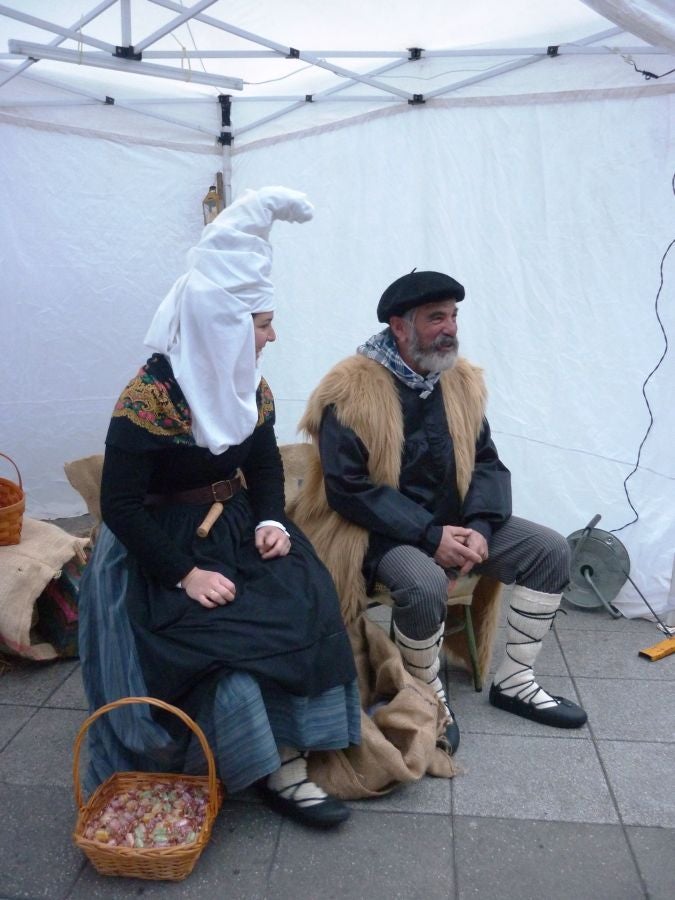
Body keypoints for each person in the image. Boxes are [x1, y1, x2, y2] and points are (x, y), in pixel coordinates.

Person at [78, 186, 360, 829]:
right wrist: (183, 573)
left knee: (303, 590)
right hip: (159, 545)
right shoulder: (148, 399)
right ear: (223, 327)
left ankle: (296, 743)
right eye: (263, 323)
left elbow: (262, 464)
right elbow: (120, 505)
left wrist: (271, 519)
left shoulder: (248, 386)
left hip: (234, 523)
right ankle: (265, 761)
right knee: (220, 636)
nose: (273, 335)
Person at [290, 270, 587, 752]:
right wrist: (431, 536)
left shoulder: (459, 381)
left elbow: (486, 462)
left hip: (457, 524)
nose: (450, 328)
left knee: (550, 550)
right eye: (435, 318)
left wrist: (480, 526)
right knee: (424, 582)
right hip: (377, 533)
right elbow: (350, 489)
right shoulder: (349, 390)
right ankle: (424, 698)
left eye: (453, 316)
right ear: (399, 327)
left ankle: (515, 682)